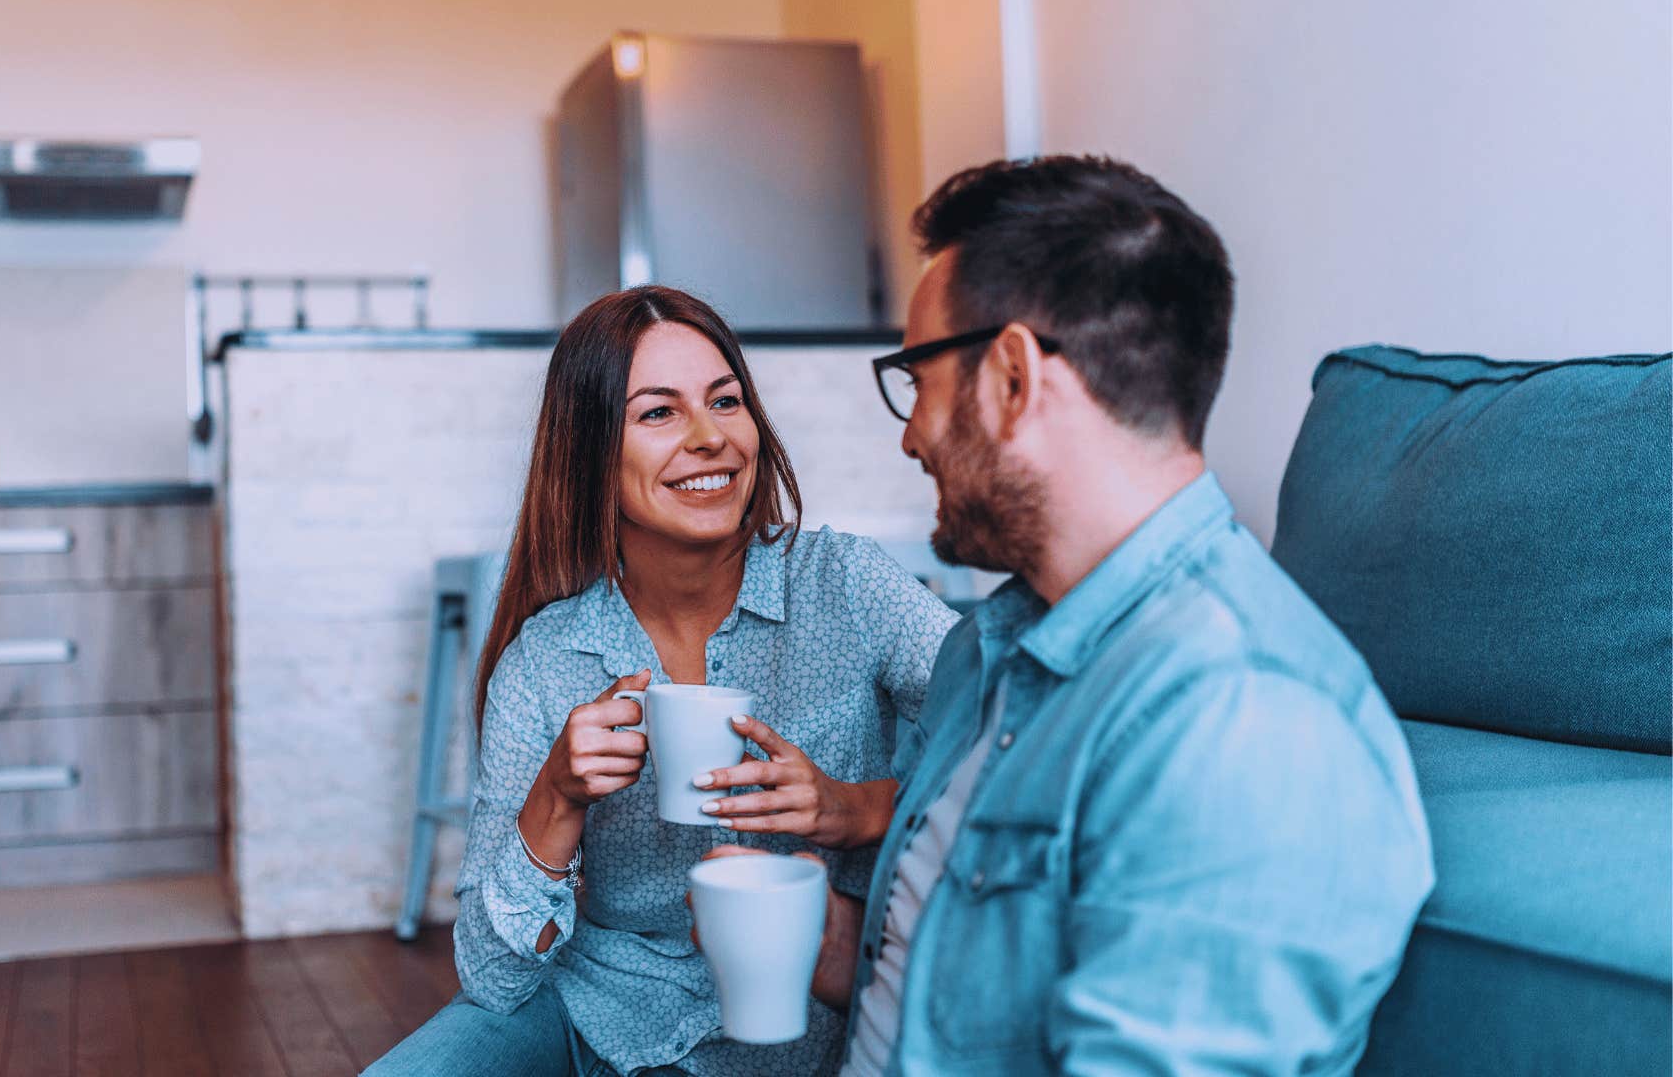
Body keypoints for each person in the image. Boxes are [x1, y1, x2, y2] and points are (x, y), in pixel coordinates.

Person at [705, 155, 1435, 1075]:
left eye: (916, 379)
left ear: (1013, 377)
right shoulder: (987, 649)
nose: (910, 432)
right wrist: (818, 939)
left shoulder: (1242, 721)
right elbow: (954, 1011)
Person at [363, 285, 957, 1076]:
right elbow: (494, 979)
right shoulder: (547, 660)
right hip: (601, 1016)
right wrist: (557, 798)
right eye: (658, 413)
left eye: (726, 401)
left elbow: (1023, 741)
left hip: (814, 1021)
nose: (711, 437)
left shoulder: (846, 586)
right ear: (589, 452)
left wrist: (859, 808)